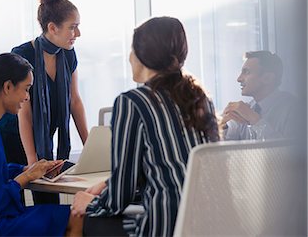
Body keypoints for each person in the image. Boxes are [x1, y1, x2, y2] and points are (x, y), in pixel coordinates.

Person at [71, 17, 219, 236]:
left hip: (167, 226)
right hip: (212, 223)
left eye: (132, 49)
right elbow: (171, 165)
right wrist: (109, 183)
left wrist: (89, 203)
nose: (129, 56)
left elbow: (119, 197)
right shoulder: (200, 99)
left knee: (88, 220)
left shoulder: (133, 102)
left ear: (142, 56)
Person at [0, 53, 83, 237]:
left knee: (73, 214)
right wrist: (25, 177)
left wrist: (28, 169)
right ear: (8, 87)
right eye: (26, 89)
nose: (27, 97)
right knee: (76, 215)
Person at [0, 0, 88, 204]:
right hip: (12, 139)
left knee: (49, 199)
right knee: (15, 205)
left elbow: (74, 102)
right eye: (73, 27)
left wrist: (89, 147)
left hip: (44, 138)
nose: (77, 34)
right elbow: (24, 113)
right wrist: (32, 161)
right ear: (52, 27)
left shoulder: (68, 54)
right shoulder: (22, 54)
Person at [221, 51, 301, 140]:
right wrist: (222, 128)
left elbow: (288, 151)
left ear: (268, 78)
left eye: (246, 72)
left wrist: (255, 120)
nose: (239, 79)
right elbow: (229, 148)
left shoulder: (295, 109)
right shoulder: (244, 110)